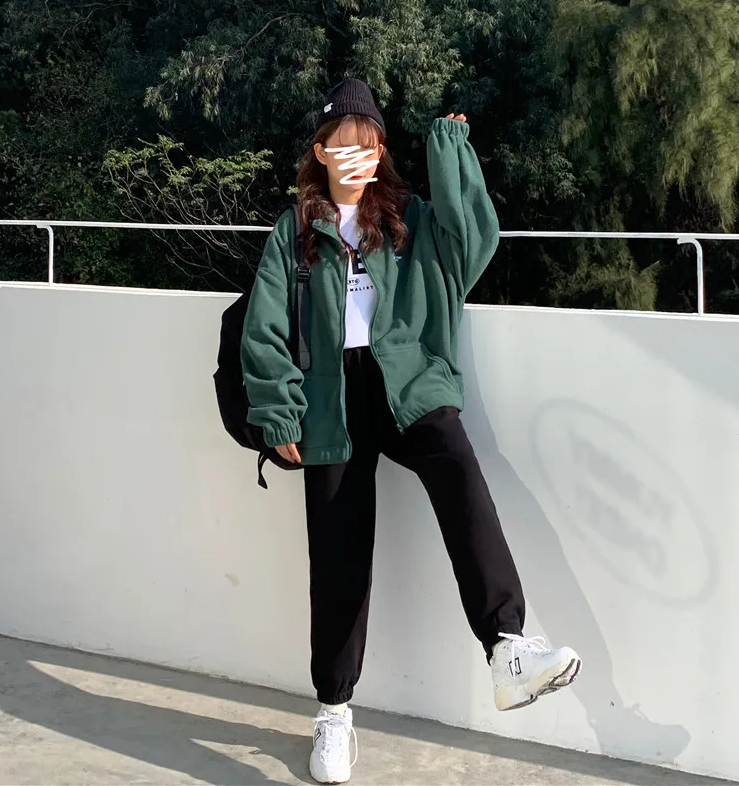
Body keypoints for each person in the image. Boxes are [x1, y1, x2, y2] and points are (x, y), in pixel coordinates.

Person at [241, 79, 581, 785]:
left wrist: (451, 152)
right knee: (338, 553)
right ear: (320, 152)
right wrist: (277, 409)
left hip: (406, 380)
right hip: (330, 400)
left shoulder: (408, 217)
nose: (355, 155)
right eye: (343, 144)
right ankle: (334, 712)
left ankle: (507, 646)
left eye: (367, 144)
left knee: (458, 468)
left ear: (380, 151)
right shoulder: (294, 231)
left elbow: (475, 243)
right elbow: (264, 325)